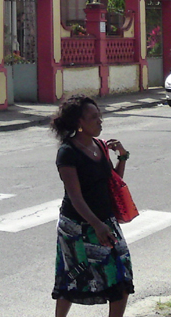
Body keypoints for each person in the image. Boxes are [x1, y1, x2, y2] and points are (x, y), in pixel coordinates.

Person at [50, 94, 133, 317]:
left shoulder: (99, 146)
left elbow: (111, 181)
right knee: (73, 278)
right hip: (77, 227)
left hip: (105, 222)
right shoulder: (67, 152)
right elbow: (75, 197)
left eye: (100, 116)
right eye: (93, 117)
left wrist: (122, 158)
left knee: (121, 276)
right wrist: (96, 225)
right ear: (79, 122)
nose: (100, 121)